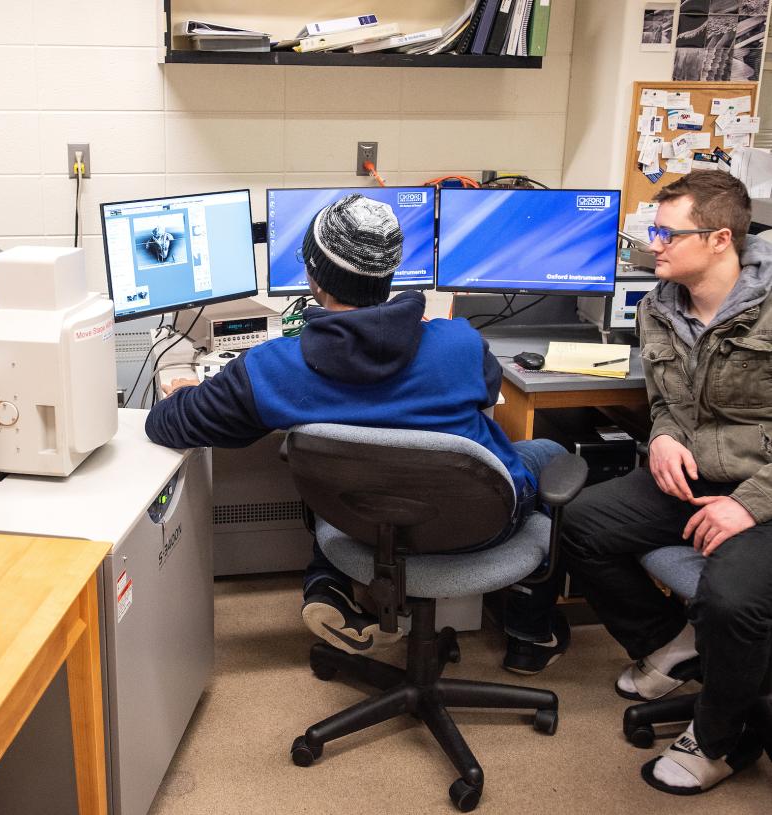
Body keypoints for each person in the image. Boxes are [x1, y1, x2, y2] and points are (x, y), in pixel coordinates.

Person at [145, 192, 567, 672]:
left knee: (341, 463)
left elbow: (167, 425)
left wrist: (183, 391)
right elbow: (488, 390)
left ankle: (329, 584)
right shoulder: (458, 343)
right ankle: (530, 637)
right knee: (549, 452)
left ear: (312, 275)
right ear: (388, 274)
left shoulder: (273, 368)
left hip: (359, 526)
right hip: (480, 525)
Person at [560, 170, 772, 795]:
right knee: (579, 524)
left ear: (720, 240)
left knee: (730, 600)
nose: (652, 244)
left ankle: (720, 740)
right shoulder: (659, 307)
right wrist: (663, 438)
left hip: (763, 488)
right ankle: (672, 641)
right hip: (695, 473)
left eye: (665, 233)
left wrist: (749, 506)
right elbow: (667, 401)